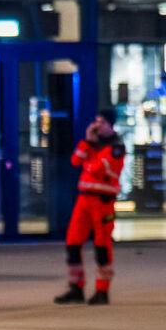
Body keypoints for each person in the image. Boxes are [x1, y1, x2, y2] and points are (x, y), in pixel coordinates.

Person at [55, 110, 126, 306]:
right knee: (72, 243)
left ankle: (102, 291)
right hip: (84, 200)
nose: (97, 125)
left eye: (102, 122)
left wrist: (88, 157)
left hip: (103, 203)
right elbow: (75, 160)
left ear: (110, 125)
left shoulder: (116, 147)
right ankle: (76, 288)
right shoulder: (92, 144)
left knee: (102, 246)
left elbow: (96, 168)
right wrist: (87, 140)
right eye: (96, 121)